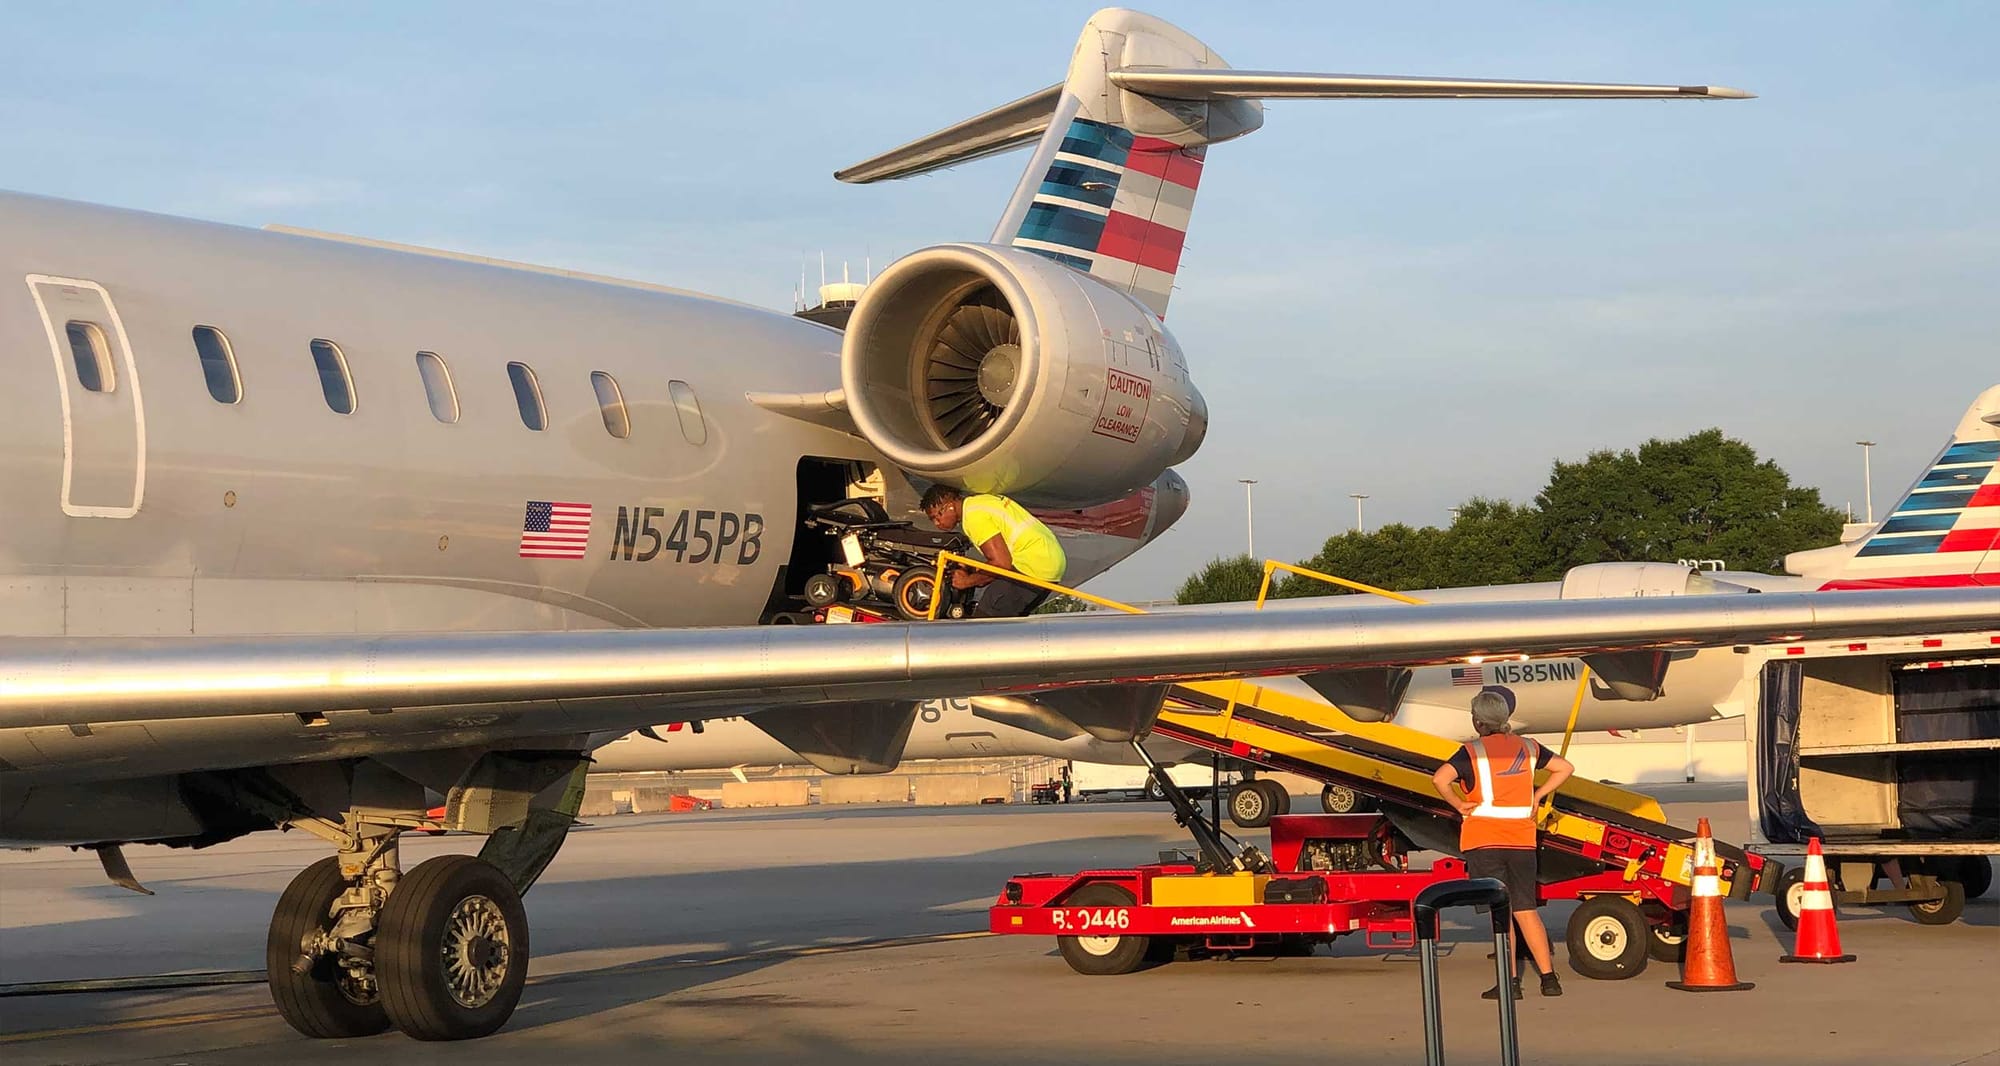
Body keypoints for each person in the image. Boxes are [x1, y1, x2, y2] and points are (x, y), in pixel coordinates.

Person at [1430, 687, 1574, 1000]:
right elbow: (1565, 768)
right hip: (1522, 841)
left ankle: (1509, 983)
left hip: (1484, 841)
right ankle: (1549, 980)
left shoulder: (1472, 751)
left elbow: (1440, 779)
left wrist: (1459, 804)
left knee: (1501, 913)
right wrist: (1537, 795)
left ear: (1478, 722)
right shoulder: (1529, 746)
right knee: (1526, 910)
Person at [920, 485, 1067, 618]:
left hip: (1033, 566)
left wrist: (967, 581)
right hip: (1049, 561)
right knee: (1004, 628)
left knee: (983, 626)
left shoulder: (973, 518)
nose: (937, 524)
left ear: (949, 507)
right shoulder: (979, 503)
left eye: (936, 517)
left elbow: (1002, 564)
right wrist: (974, 571)